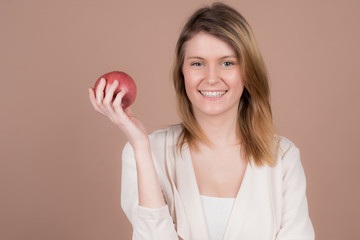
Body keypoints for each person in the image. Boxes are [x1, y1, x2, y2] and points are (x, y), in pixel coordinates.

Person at [88, 2, 315, 240]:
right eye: (197, 63)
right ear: (182, 73)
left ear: (248, 72)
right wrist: (141, 147)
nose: (211, 78)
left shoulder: (283, 159)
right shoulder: (145, 153)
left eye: (227, 63)